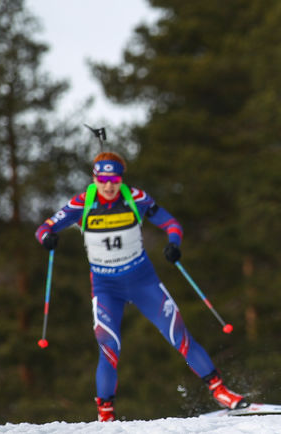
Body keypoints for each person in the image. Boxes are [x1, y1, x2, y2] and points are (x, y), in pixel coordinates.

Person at [35, 151, 248, 421]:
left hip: (142, 281)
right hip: (106, 288)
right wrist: (48, 239)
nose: (109, 186)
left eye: (114, 179)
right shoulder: (82, 203)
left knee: (179, 335)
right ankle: (106, 413)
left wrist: (174, 244)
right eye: (103, 180)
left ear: (121, 179)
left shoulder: (136, 198)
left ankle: (221, 393)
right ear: (94, 178)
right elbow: (44, 229)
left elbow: (171, 223)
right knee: (108, 347)